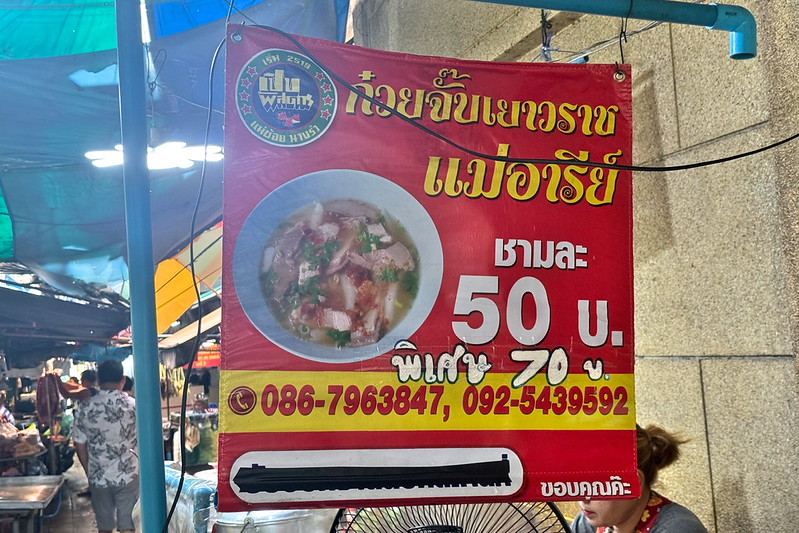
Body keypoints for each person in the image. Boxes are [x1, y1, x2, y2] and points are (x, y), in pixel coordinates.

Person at [571, 424, 708, 533]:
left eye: (595, 486)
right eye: (579, 483)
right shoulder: (588, 523)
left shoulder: (678, 529)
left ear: (634, 482)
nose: (582, 497)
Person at [71, 360, 138, 533]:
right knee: (128, 526)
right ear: (123, 380)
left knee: (104, 527)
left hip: (98, 477)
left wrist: (89, 470)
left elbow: (79, 444)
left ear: (98, 381)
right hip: (129, 475)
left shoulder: (85, 407)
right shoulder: (133, 406)